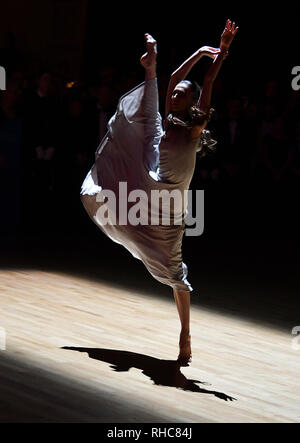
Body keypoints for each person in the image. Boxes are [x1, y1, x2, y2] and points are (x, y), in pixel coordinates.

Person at [80, 20, 238, 365]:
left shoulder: (196, 125)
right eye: (177, 92)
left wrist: (221, 52)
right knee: (120, 203)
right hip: (151, 186)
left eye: (184, 92)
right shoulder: (168, 120)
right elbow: (172, 80)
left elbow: (209, 80)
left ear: (194, 100)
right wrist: (197, 52)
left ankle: (185, 333)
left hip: (170, 204)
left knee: (174, 270)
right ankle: (151, 62)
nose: (177, 94)